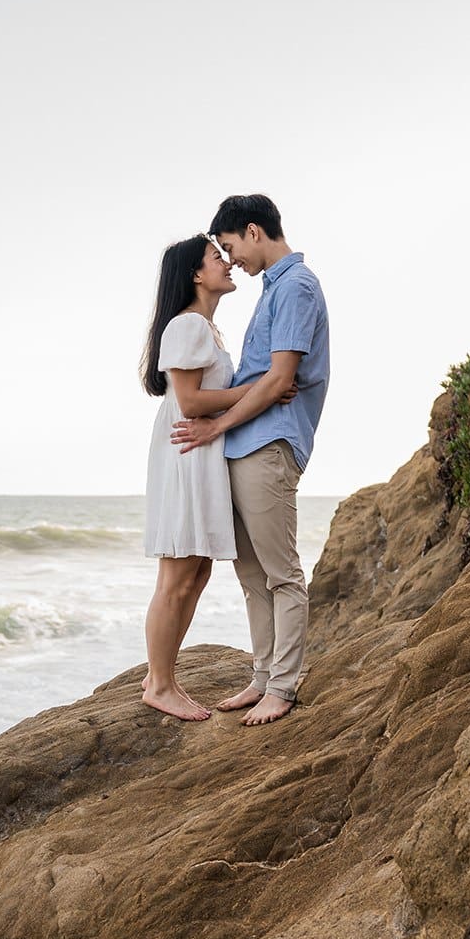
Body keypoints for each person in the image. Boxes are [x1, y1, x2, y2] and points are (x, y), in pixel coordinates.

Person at [172, 195, 330, 726]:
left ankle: (283, 686)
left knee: (282, 575)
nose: (231, 257)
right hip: (244, 446)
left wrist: (216, 423)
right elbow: (261, 379)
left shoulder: (296, 287)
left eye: (233, 246)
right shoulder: (272, 291)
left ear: (254, 231)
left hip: (267, 445)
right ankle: (263, 678)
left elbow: (281, 379)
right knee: (252, 576)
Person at [140, 235, 294, 722]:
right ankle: (160, 684)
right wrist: (258, 390)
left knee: (197, 569)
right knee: (178, 574)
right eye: (215, 257)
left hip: (198, 451)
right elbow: (189, 403)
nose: (226, 263)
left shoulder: (204, 327)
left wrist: (256, 392)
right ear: (194, 275)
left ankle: (159, 675)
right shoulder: (188, 325)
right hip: (188, 451)